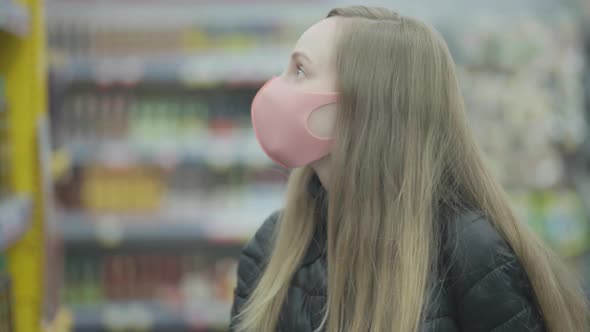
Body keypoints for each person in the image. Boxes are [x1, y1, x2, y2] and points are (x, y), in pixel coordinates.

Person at [230, 6, 589, 332]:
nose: (274, 87)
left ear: (368, 106)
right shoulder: (273, 246)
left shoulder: (475, 257)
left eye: (300, 70)